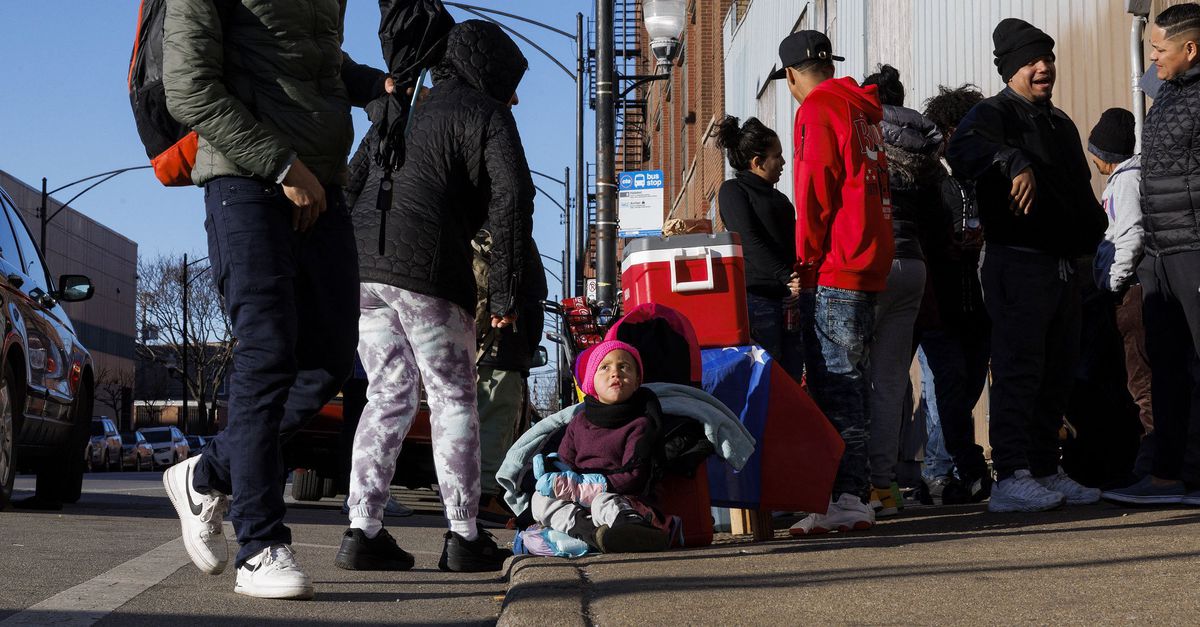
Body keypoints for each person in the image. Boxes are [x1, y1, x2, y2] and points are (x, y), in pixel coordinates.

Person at [160, 0, 390, 600]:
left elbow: (314, 57)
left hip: (323, 183)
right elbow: (189, 88)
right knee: (266, 352)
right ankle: (259, 545)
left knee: (331, 357)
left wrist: (376, 84)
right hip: (247, 183)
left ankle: (206, 474)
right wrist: (282, 163)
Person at [335, 20, 533, 572]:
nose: (514, 95)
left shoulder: (404, 105)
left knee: (386, 396)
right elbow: (513, 204)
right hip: (431, 278)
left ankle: (362, 529)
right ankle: (465, 535)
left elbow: (352, 184)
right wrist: (508, 296)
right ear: (487, 71)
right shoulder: (487, 115)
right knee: (453, 398)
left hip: (366, 277)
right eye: (509, 81)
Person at [947, 18, 1106, 513]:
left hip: (1063, 267)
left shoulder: (1060, 123)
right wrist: (1010, 160)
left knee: (1057, 372)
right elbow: (962, 150)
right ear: (1011, 68)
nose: (1044, 68)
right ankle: (1011, 475)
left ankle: (1043, 466)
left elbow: (1079, 191)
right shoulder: (990, 115)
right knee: (1019, 370)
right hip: (1017, 265)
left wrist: (1089, 241)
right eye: (1032, 61)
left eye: (1048, 59)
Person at [771, 31, 895, 535]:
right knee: (856, 385)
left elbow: (814, 189)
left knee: (835, 385)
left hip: (836, 265)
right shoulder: (861, 111)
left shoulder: (817, 109)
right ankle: (852, 494)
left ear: (791, 76)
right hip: (869, 263)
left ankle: (844, 497)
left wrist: (804, 261)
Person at [1102, 3, 1200, 506]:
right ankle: (1166, 477)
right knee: (1165, 367)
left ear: (1191, 49)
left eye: (1159, 48)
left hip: (1194, 247)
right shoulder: (1166, 94)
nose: (1152, 58)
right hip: (1160, 254)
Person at [860, 64, 943, 517]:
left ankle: (854, 488)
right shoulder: (926, 145)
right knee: (892, 379)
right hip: (914, 265)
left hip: (871, 262)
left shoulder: (866, 134)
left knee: (853, 375)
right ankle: (884, 486)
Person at [918, 84, 993, 505]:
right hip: (941, 306)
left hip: (978, 307)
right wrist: (949, 245)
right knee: (947, 390)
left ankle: (947, 472)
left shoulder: (985, 179)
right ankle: (964, 470)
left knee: (963, 392)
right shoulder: (931, 182)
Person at [530, 340, 671, 553]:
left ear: (636, 381)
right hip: (580, 501)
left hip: (622, 497)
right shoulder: (579, 422)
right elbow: (564, 463)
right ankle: (592, 534)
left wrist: (590, 488)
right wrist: (555, 477)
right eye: (604, 367)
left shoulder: (640, 423)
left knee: (603, 502)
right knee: (539, 500)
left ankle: (634, 530)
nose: (615, 373)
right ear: (591, 382)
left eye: (624, 367)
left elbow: (634, 476)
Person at [1083, 108, 1155, 485]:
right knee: (1136, 379)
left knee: (1141, 381)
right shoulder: (1126, 180)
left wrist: (1110, 284)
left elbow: (1129, 237)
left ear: (1105, 154)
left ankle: (1152, 465)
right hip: (1129, 291)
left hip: (1129, 293)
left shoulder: (1126, 183)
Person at [711, 116, 803, 383]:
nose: (784, 162)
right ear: (757, 162)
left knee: (793, 378)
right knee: (766, 378)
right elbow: (748, 241)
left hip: (790, 301)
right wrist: (787, 276)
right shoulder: (733, 191)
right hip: (758, 301)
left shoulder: (780, 199)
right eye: (778, 156)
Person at [475, 233, 547, 521]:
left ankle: (481, 493)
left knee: (483, 421)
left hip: (482, 344)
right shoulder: (510, 235)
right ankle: (485, 495)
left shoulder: (473, 231)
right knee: (496, 421)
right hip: (501, 344)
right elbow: (533, 294)